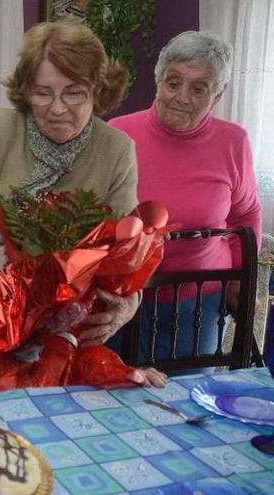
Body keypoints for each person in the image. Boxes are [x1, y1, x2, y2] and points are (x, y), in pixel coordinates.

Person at [0, 21, 140, 347]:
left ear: (98, 89)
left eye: (74, 92)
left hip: (73, 325)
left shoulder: (117, 149)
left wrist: (129, 302)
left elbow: (128, 250)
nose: (57, 108)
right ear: (26, 90)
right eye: (43, 92)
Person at [109, 31, 262, 364]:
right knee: (116, 392)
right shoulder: (118, 134)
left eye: (199, 88)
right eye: (173, 82)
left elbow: (245, 214)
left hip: (199, 298)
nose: (182, 97)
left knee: (185, 399)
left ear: (217, 94)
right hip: (123, 292)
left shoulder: (233, 141)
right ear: (158, 81)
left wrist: (240, 279)